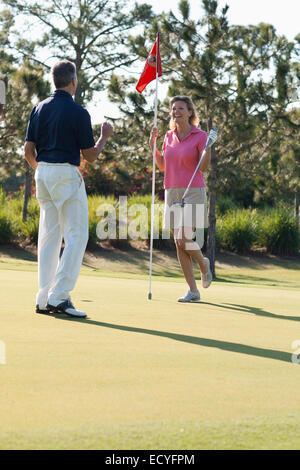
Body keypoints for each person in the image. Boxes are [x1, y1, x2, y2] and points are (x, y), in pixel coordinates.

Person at [24, 60, 113, 318]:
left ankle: (43, 297)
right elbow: (90, 155)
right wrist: (104, 136)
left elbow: (28, 151)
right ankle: (59, 295)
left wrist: (41, 170)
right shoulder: (79, 112)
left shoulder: (38, 108)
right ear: (73, 81)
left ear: (55, 80)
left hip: (43, 173)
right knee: (77, 235)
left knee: (49, 236)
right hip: (65, 172)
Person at [149, 95, 212, 302]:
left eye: (181, 108)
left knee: (182, 238)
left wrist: (208, 148)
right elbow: (162, 166)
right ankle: (193, 291)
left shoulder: (200, 135)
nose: (177, 111)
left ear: (190, 112)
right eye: (174, 108)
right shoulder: (167, 136)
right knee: (179, 243)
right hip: (172, 191)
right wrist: (153, 146)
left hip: (193, 190)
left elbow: (203, 167)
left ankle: (203, 263)